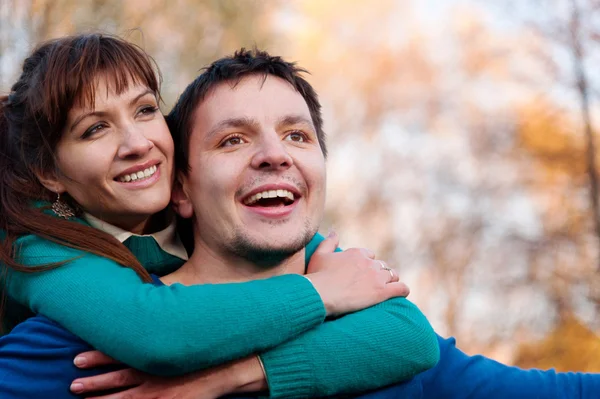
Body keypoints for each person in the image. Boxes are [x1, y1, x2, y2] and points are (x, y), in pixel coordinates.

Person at [72, 48, 600, 399]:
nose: (274, 155)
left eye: (297, 136)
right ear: (180, 188)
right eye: (233, 140)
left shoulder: (388, 349)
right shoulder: (98, 342)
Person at [0, 34, 439, 398]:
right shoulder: (36, 245)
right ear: (49, 172)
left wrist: (231, 376)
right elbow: (155, 330)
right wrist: (319, 291)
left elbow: (408, 332)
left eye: (146, 110)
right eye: (95, 129)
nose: (136, 143)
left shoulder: (229, 223)